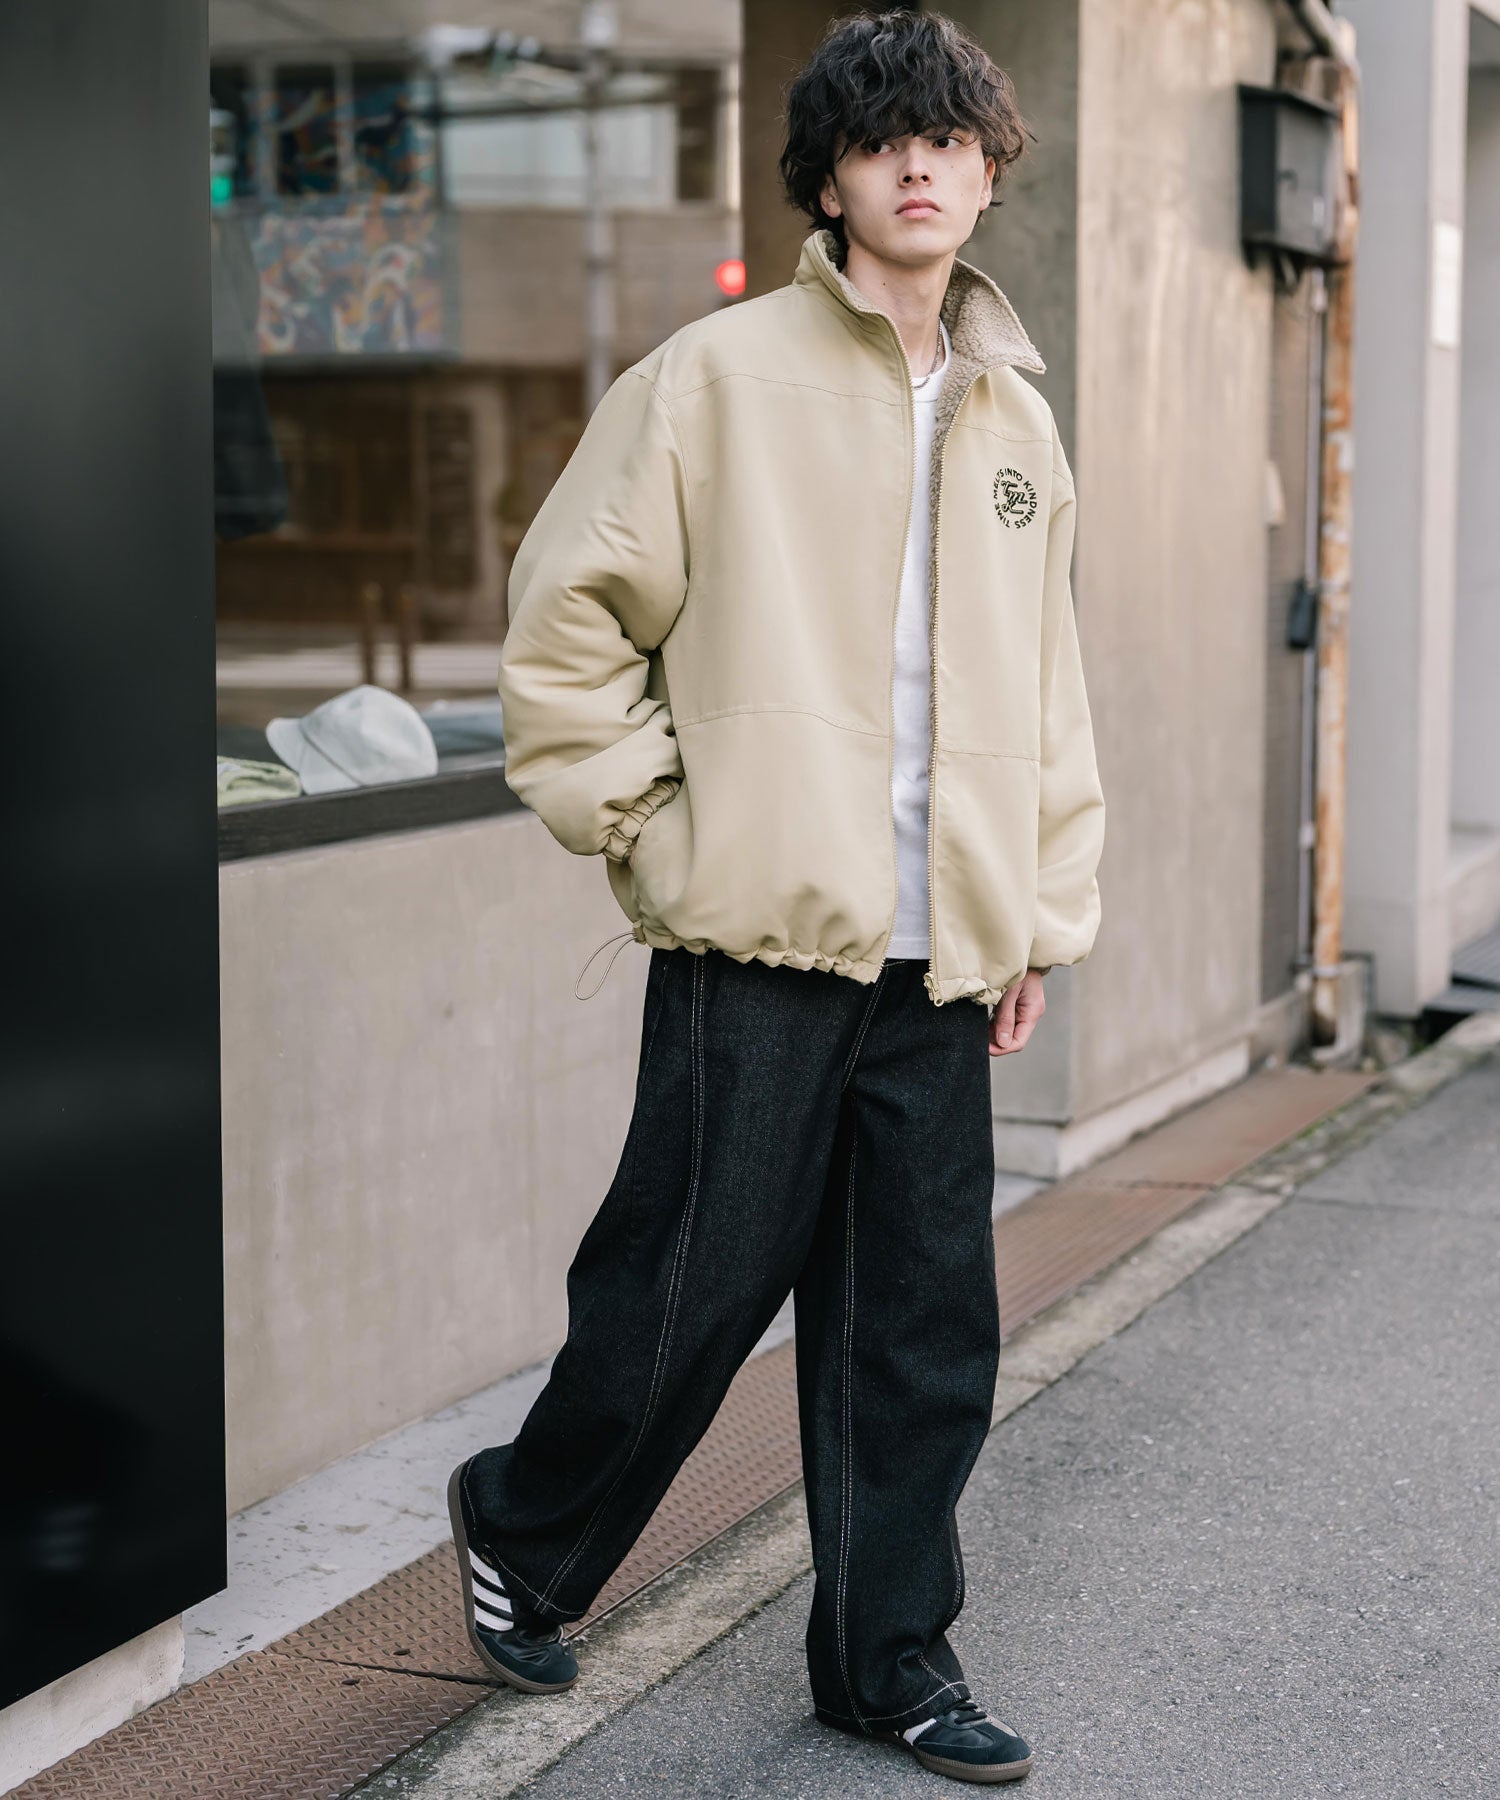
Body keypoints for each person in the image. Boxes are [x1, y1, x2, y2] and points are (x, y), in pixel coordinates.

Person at [449, 9, 1105, 1785]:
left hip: (939, 947)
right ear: (828, 180)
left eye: (949, 140)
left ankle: (890, 1663)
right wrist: (659, 831)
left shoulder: (1015, 417)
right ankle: (525, 1528)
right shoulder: (714, 378)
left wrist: (1032, 914)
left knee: (922, 1333)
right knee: (687, 1291)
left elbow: (1046, 692)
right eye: (883, 141)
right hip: (759, 932)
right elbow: (565, 632)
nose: (919, 166)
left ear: (988, 173)